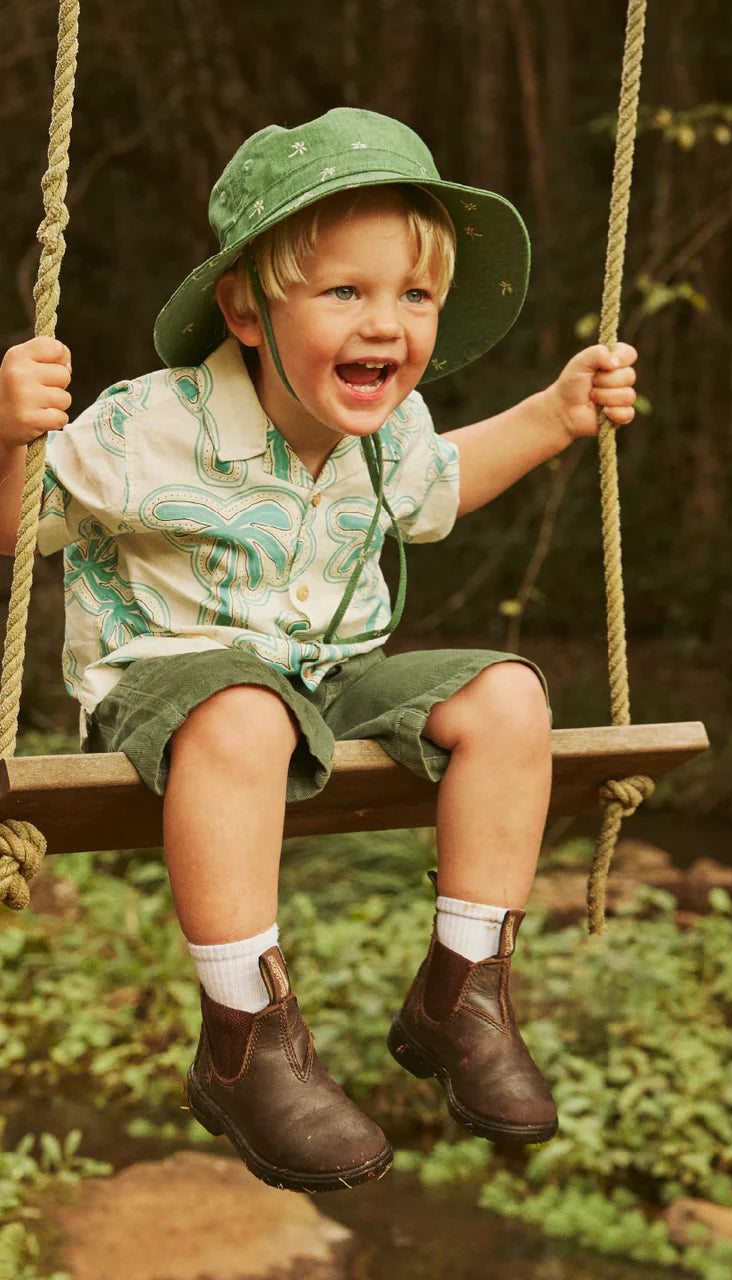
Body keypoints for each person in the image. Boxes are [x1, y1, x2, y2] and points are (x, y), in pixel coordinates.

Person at [0, 108, 637, 1193]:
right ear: (246, 307)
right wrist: (8, 434)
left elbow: (444, 475)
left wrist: (551, 414)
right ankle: (245, 1036)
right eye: (345, 291)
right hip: (175, 685)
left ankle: (462, 992)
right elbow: (19, 530)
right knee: (245, 706)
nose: (385, 323)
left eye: (413, 295)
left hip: (326, 680)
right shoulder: (150, 422)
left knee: (507, 695)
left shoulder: (384, 434)